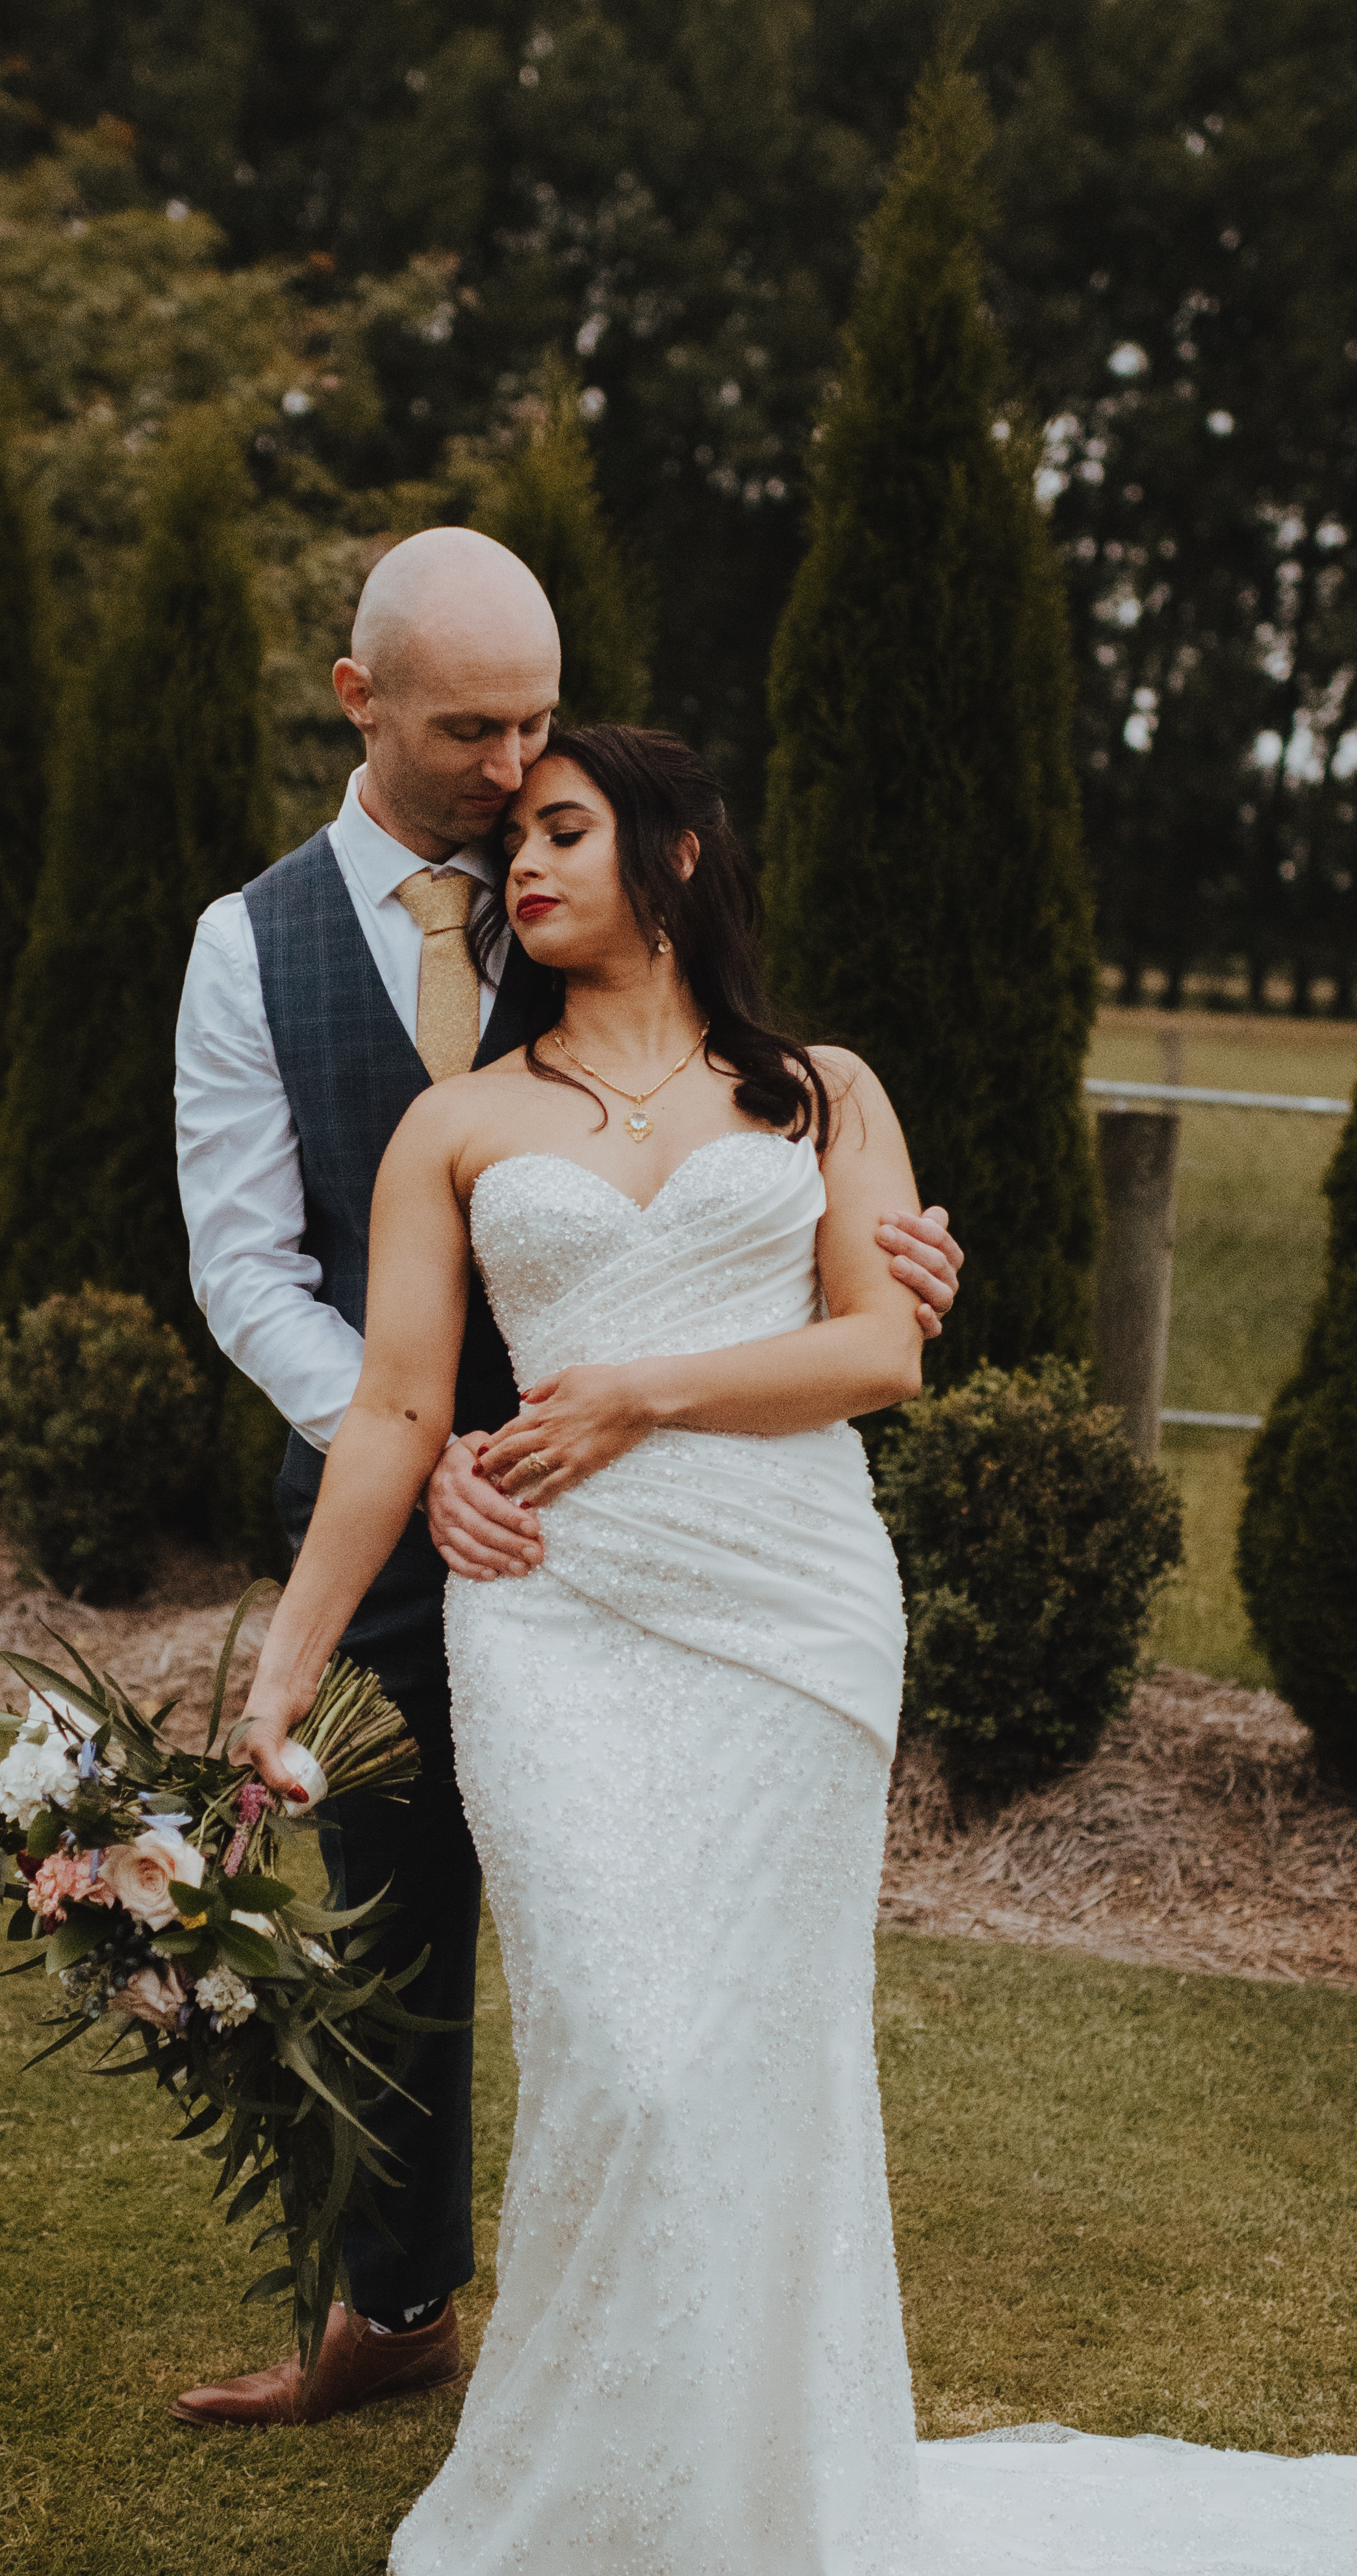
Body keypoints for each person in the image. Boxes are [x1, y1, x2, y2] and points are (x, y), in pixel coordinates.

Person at [230, 715, 1357, 2576]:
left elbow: (881, 1349)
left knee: (753, 2067)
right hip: (553, 1620)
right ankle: (589, 2502)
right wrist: (283, 1676)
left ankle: (758, 2510)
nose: (519, 869)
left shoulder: (818, 1094)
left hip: (785, 1608)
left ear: (679, 853)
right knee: (618, 2052)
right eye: (511, 840)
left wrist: (638, 1394)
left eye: (561, 831)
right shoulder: (455, 1125)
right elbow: (390, 1408)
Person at [171, 528, 965, 2428]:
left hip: (749, 1566)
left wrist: (881, 1268)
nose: (513, 798)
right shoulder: (265, 957)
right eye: (479, 741)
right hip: (461, 1526)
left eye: (548, 764)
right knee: (403, 1930)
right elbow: (245, 1270)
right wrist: (328, 1597)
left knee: (727, 2022)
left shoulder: (785, 1070)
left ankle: (733, 2402)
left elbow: (839, 1297)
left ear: (663, 847)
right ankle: (395, 2307)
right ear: (362, 702)